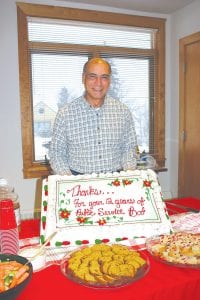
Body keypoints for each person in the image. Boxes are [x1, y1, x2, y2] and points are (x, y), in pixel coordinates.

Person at [49, 57, 138, 175]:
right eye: (92, 76)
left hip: (115, 182)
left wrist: (129, 175)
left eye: (104, 77)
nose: (98, 83)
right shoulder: (65, 114)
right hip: (78, 184)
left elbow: (129, 149)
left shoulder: (123, 112)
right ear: (83, 78)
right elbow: (57, 153)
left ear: (109, 80)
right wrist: (69, 182)